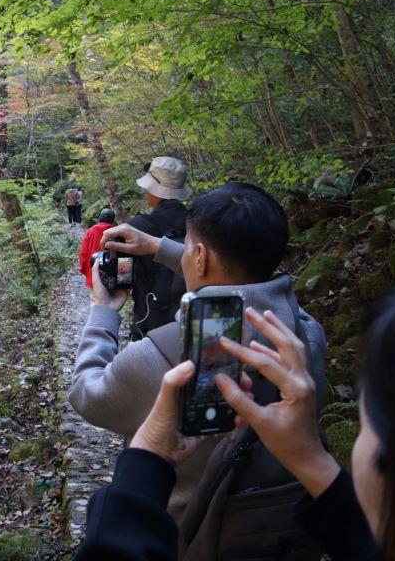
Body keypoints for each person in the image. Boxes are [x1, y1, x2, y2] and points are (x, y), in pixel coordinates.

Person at [73, 249, 395, 561]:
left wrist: (144, 460)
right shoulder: (308, 331)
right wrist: (308, 458)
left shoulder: (151, 355)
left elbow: (86, 394)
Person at [69, 181, 326, 518]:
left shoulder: (166, 357)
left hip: (189, 534)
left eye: (187, 246)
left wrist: (102, 310)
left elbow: (88, 394)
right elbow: (235, 278)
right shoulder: (305, 333)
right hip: (281, 527)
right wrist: (160, 247)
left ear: (200, 257)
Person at [127, 157, 190, 339]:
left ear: (155, 191)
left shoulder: (136, 228)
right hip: (191, 322)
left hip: (149, 326)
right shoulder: (201, 224)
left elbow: (122, 278)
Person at [79, 207, 117, 286]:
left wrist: (85, 271)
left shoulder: (90, 231)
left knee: (96, 297)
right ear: (113, 220)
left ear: (100, 218)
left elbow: (83, 253)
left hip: (94, 273)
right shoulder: (118, 231)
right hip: (113, 275)